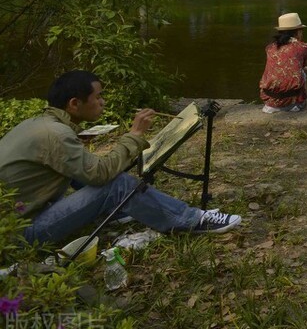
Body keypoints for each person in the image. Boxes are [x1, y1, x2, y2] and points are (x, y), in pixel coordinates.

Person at [0, 71, 241, 245]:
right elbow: (101, 175)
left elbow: (82, 171)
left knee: (84, 172)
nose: (102, 102)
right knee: (118, 185)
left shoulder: (38, 124)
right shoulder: (55, 134)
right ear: (74, 104)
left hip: (10, 227)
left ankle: (122, 209)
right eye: (97, 97)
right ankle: (191, 220)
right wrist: (135, 135)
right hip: (21, 235)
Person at [260, 12, 307, 113]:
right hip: (291, 101)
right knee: (302, 74)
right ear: (298, 32)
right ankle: (303, 105)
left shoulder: (270, 48)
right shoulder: (303, 47)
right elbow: (300, 67)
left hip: (269, 100)